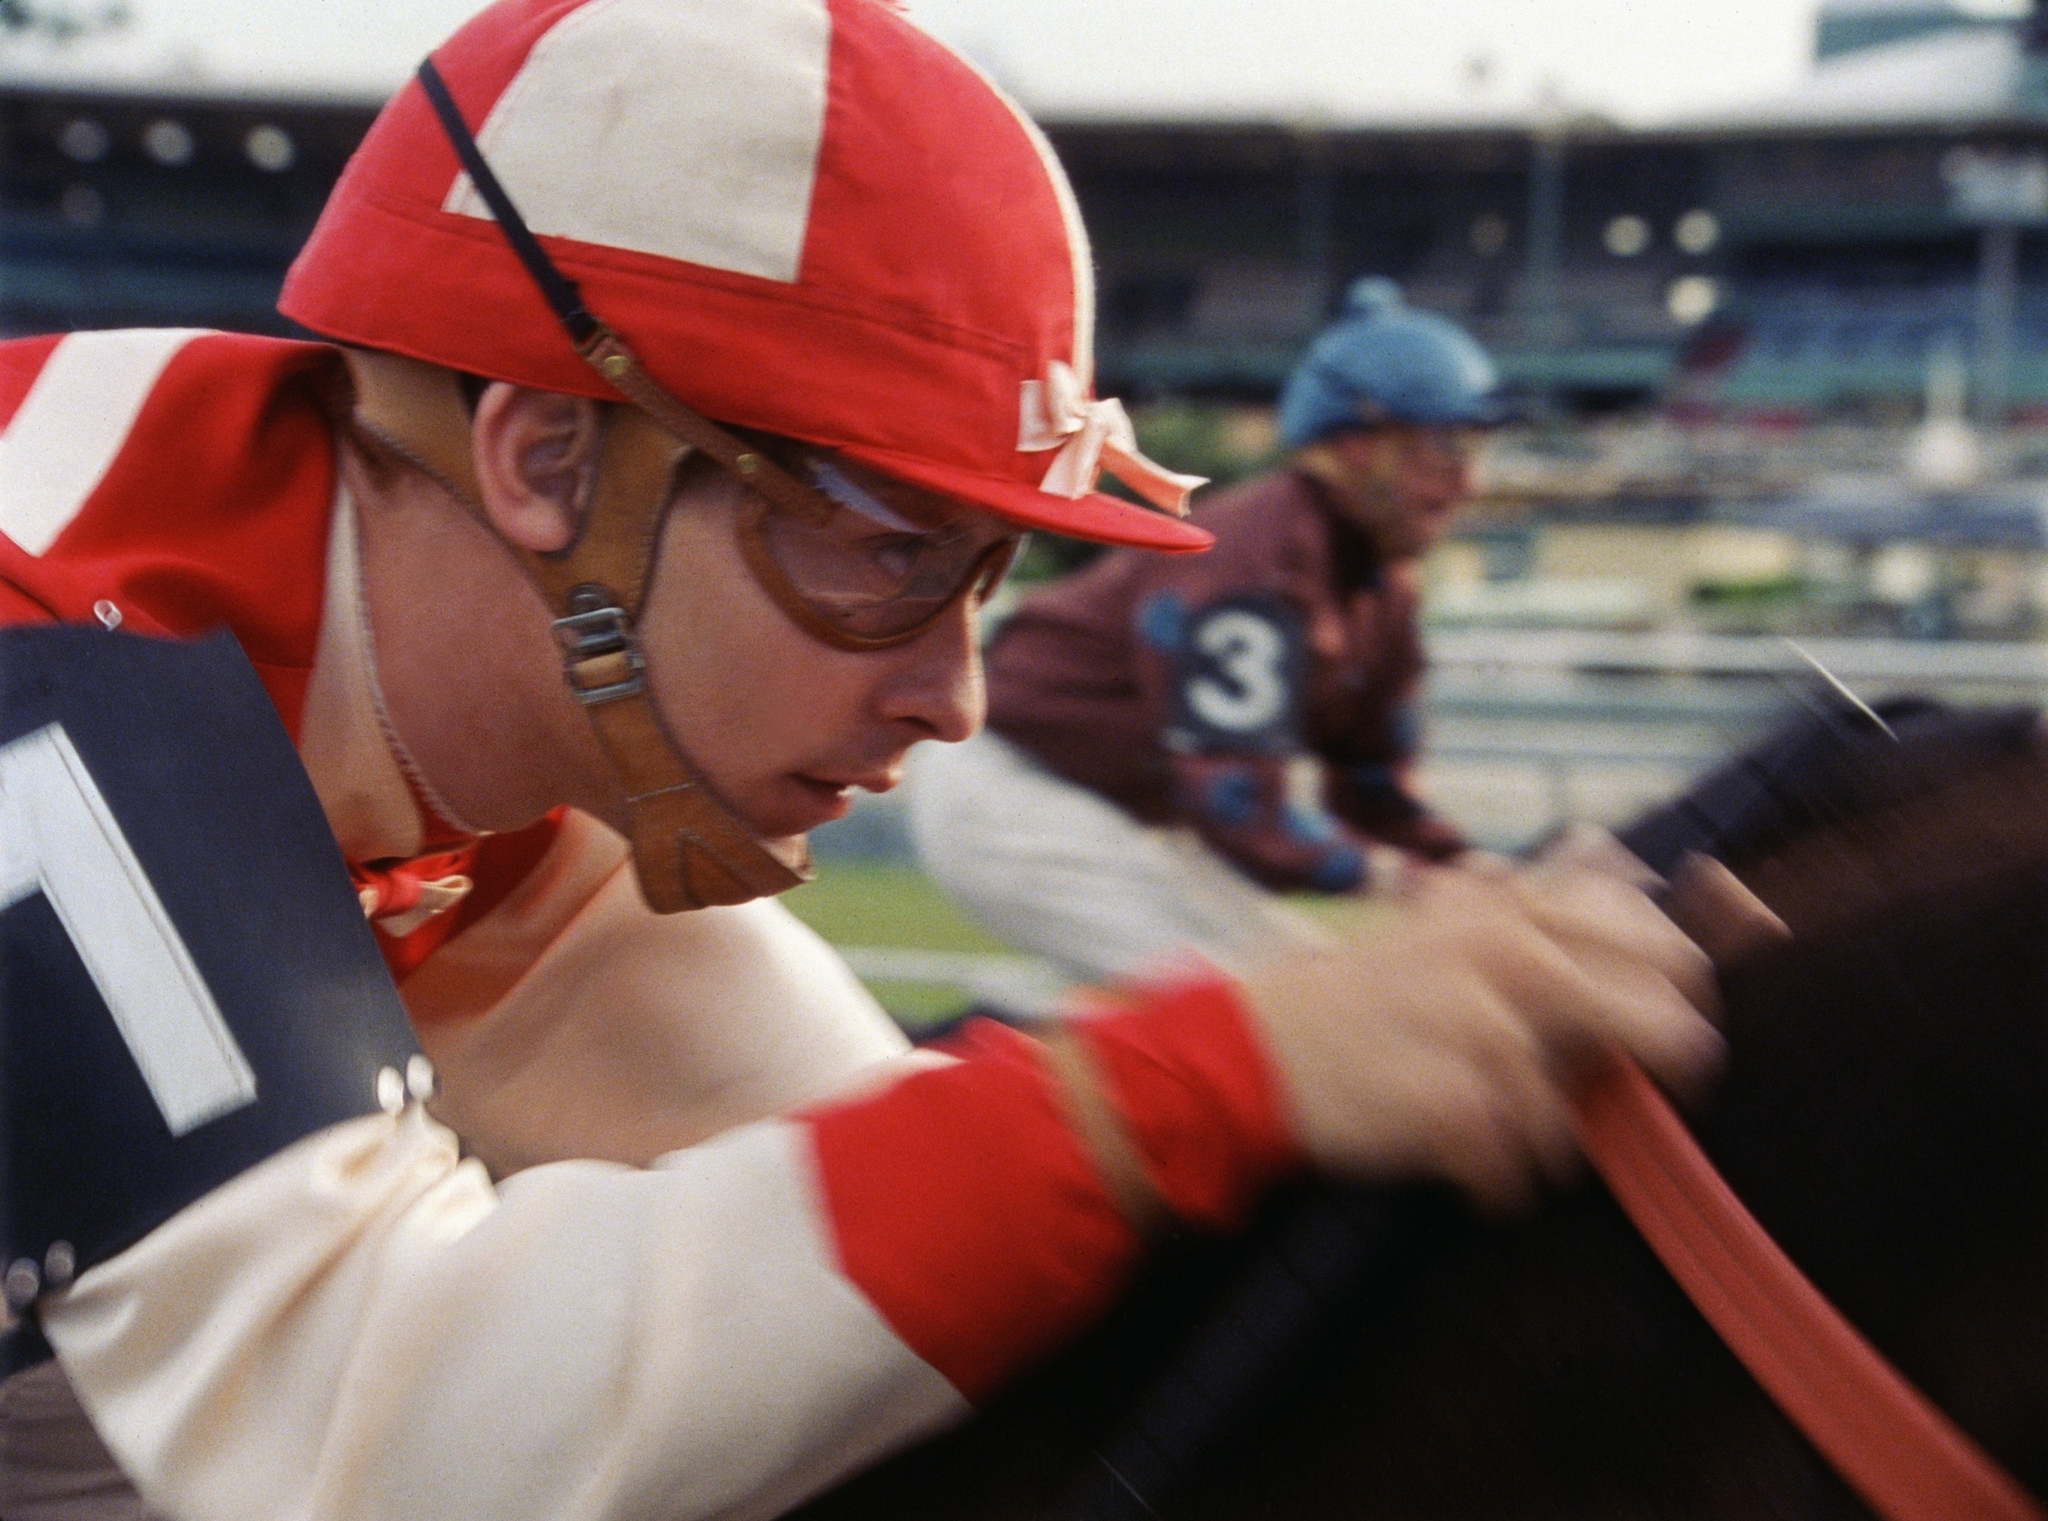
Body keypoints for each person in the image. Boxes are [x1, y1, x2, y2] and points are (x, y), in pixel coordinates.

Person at [0, 5, 1724, 1520]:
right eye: (889, 547)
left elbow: (898, 1253)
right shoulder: (51, 628)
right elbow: (379, 1452)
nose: (955, 695)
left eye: (987, 574)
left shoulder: (510, 753)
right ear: (539, 459)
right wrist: (1197, 1075)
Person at [908, 278, 1503, 989]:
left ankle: (1025, 1033)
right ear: (1351, 447)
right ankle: (990, 1050)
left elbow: (1375, 790)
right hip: (1015, 786)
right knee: (1264, 1016)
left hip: (1127, 804)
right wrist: (1405, 879)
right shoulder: (1254, 562)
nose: (1467, 484)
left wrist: (1478, 872)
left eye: (1474, 449)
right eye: (1442, 448)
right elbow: (1237, 807)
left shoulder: (1384, 586)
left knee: (1302, 985)